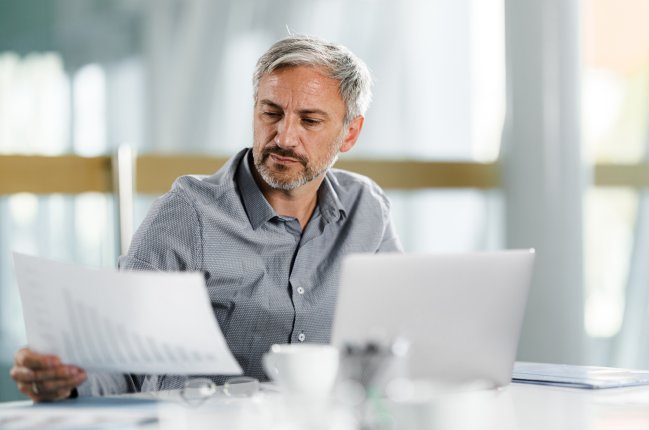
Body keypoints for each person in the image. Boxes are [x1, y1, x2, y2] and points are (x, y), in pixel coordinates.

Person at [10, 34, 402, 402]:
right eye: (271, 113)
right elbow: (126, 365)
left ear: (350, 134)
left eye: (310, 121)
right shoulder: (186, 215)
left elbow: (394, 336)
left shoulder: (366, 209)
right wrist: (66, 382)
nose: (283, 137)